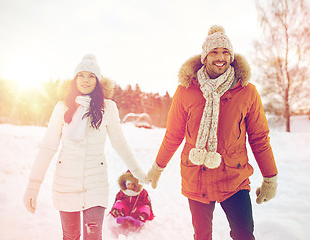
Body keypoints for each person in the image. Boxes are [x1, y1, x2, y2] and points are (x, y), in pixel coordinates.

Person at [147, 25, 278, 240]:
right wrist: (157, 167)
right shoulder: (186, 90)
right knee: (202, 236)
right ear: (205, 56)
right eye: (214, 52)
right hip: (197, 177)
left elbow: (259, 138)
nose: (220, 57)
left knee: (244, 234)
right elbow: (173, 134)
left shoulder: (246, 91)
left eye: (225, 52)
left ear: (232, 56)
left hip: (234, 177)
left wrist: (270, 178)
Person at [23, 54, 147, 240]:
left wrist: (138, 172)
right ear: (74, 79)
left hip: (95, 183)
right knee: (71, 235)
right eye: (81, 75)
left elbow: (119, 143)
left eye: (91, 76)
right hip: (66, 182)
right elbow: (48, 147)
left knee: (93, 235)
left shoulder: (108, 107)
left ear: (98, 80)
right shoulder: (62, 107)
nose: (85, 80)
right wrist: (33, 186)